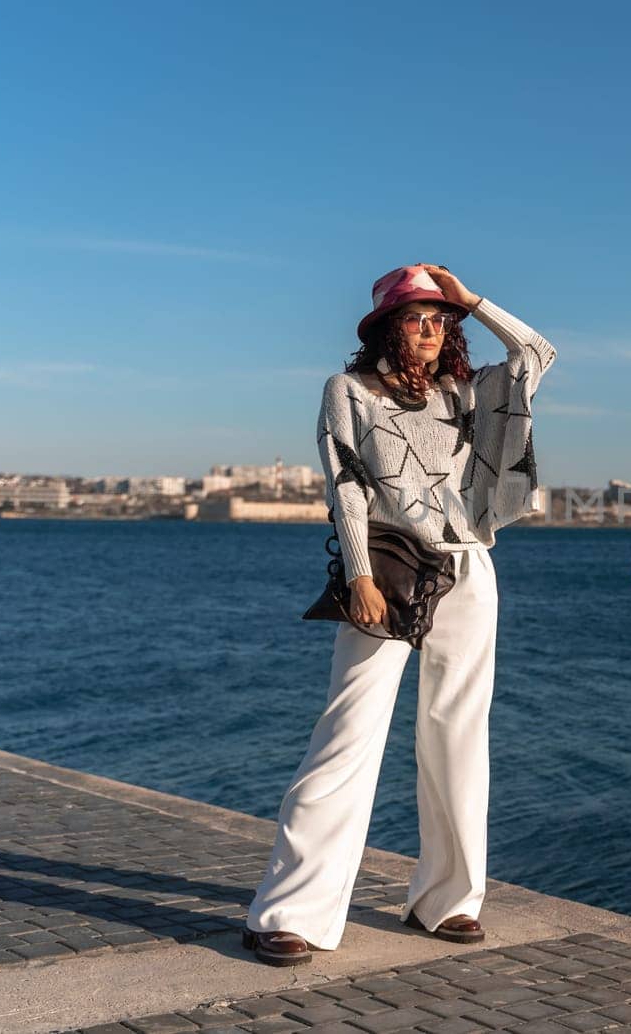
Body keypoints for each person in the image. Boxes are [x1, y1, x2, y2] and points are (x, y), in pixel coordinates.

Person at [241, 262, 557, 967]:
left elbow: (536, 353)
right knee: (348, 731)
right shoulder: (347, 390)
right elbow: (345, 484)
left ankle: (446, 899)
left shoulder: (464, 393)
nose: (431, 330)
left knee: (457, 734)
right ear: (388, 324)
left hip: (469, 566)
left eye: (441, 320)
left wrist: (470, 297)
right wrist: (357, 572)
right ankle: (289, 909)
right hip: (386, 569)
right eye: (418, 317)